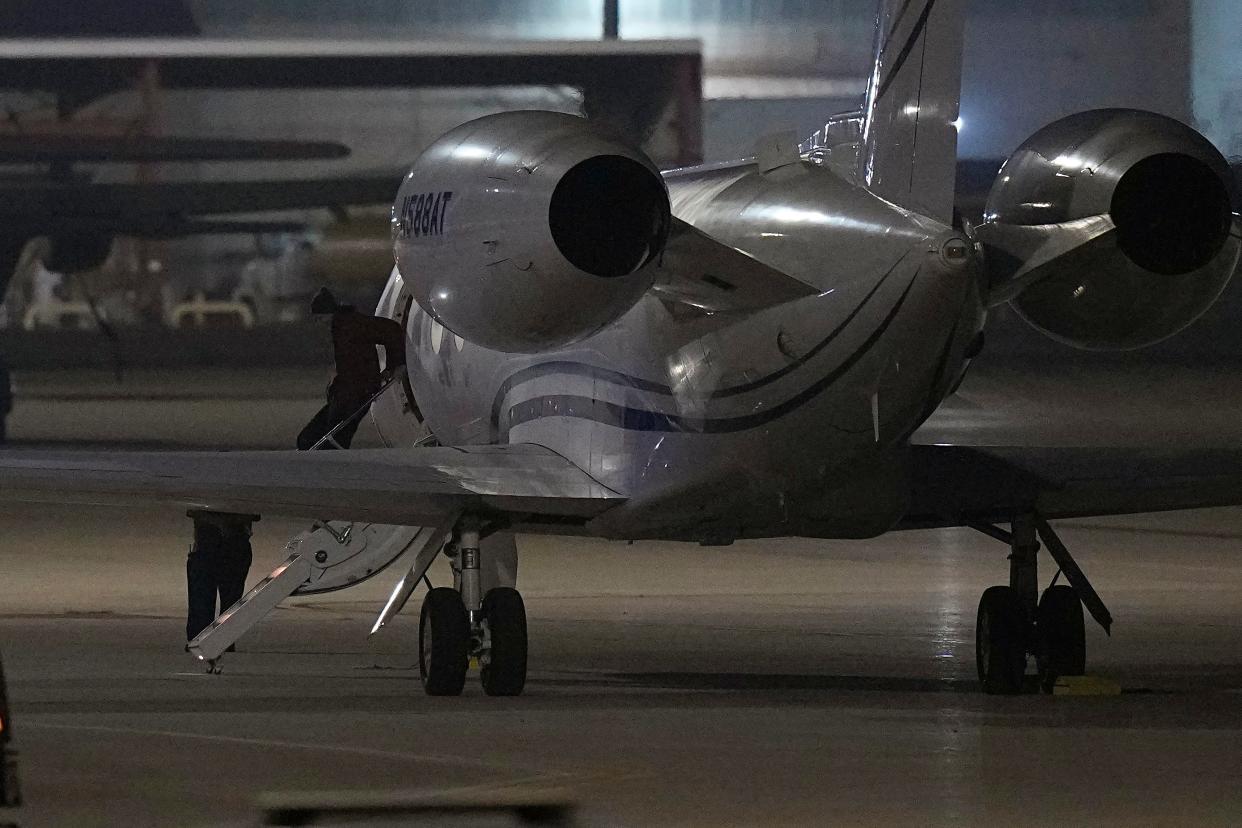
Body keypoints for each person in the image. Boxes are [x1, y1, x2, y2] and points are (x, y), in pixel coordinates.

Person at [297, 288, 406, 450]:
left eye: (319, 318)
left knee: (325, 439)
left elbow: (391, 330)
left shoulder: (353, 324)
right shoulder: (341, 327)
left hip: (355, 395)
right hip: (345, 394)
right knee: (312, 438)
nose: (319, 323)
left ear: (329, 313)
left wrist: (396, 365)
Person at [185, 511, 258, 645]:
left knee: (202, 602)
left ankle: (202, 643)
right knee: (229, 601)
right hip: (232, 536)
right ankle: (221, 642)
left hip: (213, 537)